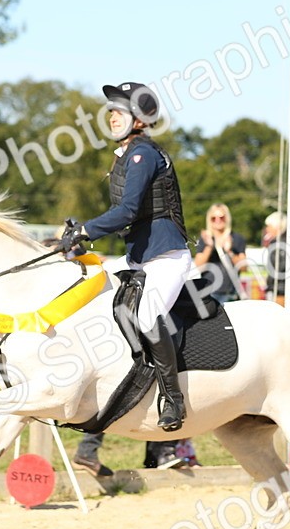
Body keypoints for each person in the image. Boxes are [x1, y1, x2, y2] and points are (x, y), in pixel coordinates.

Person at [59, 81, 191, 433]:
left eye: (119, 111)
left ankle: (173, 399)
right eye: (111, 111)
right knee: (92, 290)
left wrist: (86, 230)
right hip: (137, 257)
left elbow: (129, 210)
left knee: (147, 316)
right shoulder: (126, 155)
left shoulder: (143, 154)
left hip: (165, 256)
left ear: (139, 118)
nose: (112, 117)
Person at [192, 203, 247, 303]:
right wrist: (209, 247)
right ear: (209, 220)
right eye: (214, 218)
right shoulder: (205, 239)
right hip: (209, 292)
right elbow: (198, 265)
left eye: (222, 217)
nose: (218, 220)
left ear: (227, 218)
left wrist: (230, 251)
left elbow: (244, 267)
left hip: (231, 292)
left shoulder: (237, 238)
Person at [261, 211, 289, 305]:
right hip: (278, 287)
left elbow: (280, 267)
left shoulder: (280, 244)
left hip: (281, 289)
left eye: (269, 226)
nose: (267, 229)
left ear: (277, 226)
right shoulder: (280, 242)